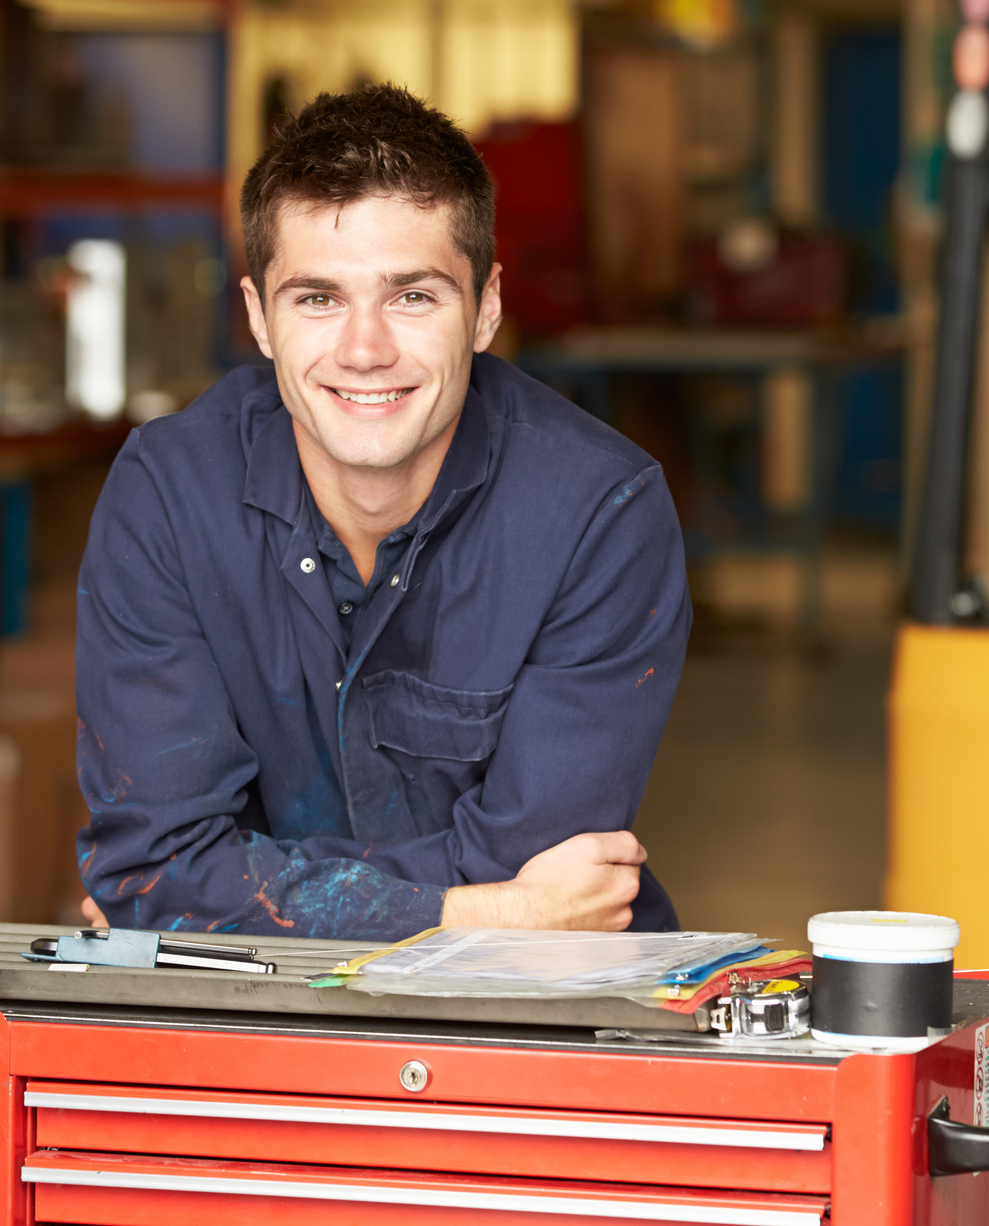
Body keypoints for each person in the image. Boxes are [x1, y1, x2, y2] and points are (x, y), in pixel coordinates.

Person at [72, 84, 689, 940]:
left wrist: (213, 893)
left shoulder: (596, 511)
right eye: (318, 298)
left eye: (413, 297)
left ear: (488, 309)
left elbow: (558, 871)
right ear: (258, 317)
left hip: (530, 1011)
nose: (365, 350)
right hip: (255, 1015)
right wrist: (486, 909)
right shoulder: (171, 494)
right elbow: (151, 866)